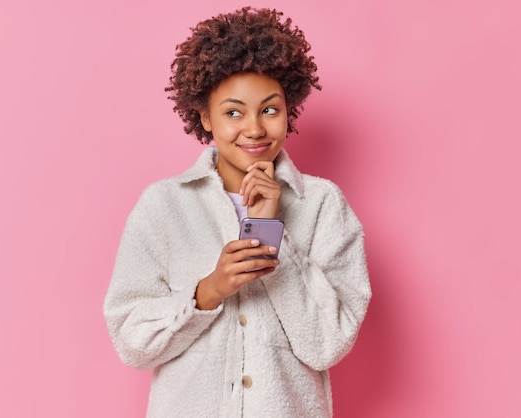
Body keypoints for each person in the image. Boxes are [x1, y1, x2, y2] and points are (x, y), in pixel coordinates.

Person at [103, 6, 371, 417]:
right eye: (233, 112)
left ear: (288, 111)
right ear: (205, 117)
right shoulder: (163, 206)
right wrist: (208, 291)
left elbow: (327, 344)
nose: (254, 129)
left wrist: (269, 233)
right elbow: (131, 341)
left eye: (269, 109)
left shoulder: (322, 205)